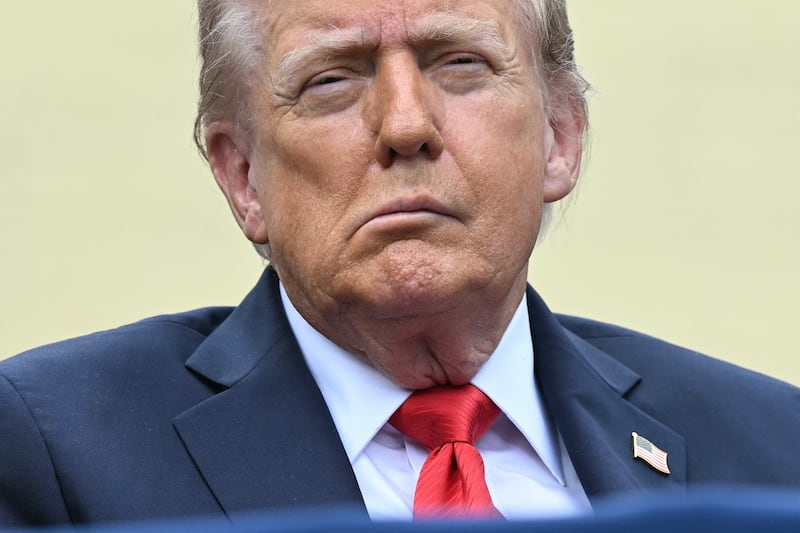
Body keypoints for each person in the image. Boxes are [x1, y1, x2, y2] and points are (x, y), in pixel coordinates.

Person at [1, 0, 798, 527]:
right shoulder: (63, 452)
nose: (407, 124)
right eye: (332, 80)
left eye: (459, 63)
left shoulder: (770, 453)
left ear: (560, 135)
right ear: (242, 174)